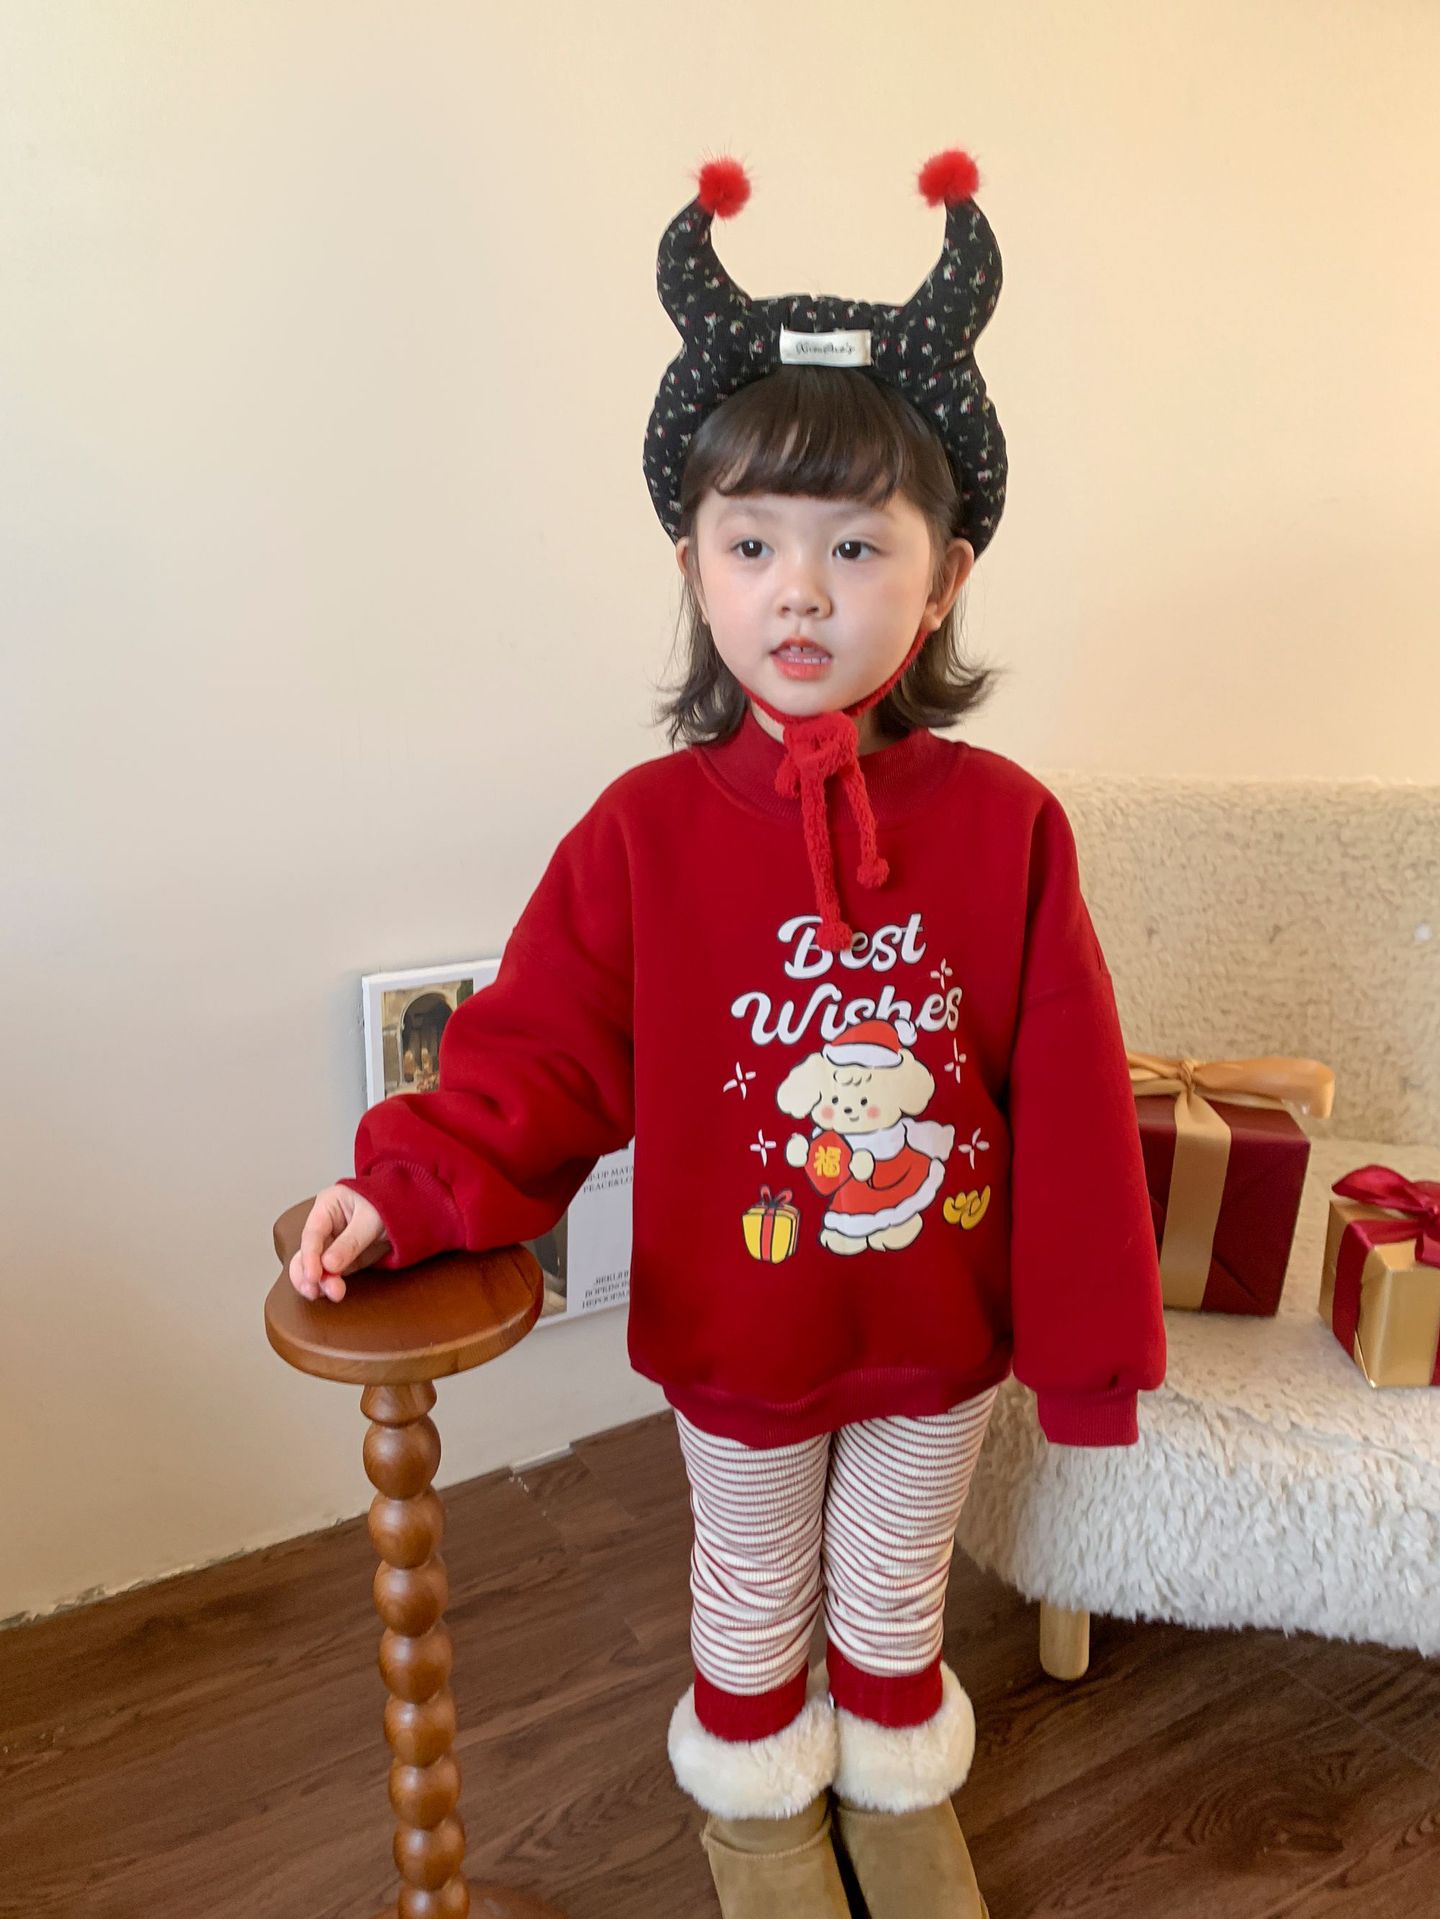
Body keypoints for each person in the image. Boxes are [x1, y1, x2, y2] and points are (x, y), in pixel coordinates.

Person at [288, 148, 1166, 1919]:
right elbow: (536, 1054)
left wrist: (1086, 1354)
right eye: (753, 544)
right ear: (695, 568)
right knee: (756, 1588)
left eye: (856, 548)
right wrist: (406, 1188)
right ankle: (761, 1810)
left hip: (939, 1327)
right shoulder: (644, 833)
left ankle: (897, 1788)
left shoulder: (1010, 827)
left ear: (943, 578)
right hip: (740, 1328)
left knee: (895, 1586)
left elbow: (1069, 1101)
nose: (800, 592)